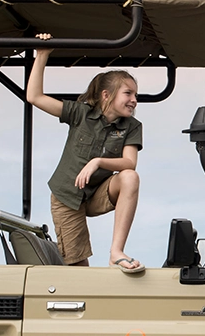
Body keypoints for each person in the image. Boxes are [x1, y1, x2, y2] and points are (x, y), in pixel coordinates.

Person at [23, 33, 145, 272]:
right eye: (128, 93)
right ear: (106, 96)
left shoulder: (132, 127)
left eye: (136, 95)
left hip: (97, 193)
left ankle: (116, 253)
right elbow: (34, 97)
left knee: (130, 177)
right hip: (68, 197)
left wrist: (97, 161)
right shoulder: (80, 114)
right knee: (80, 269)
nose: (134, 100)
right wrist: (42, 55)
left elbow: (129, 163)